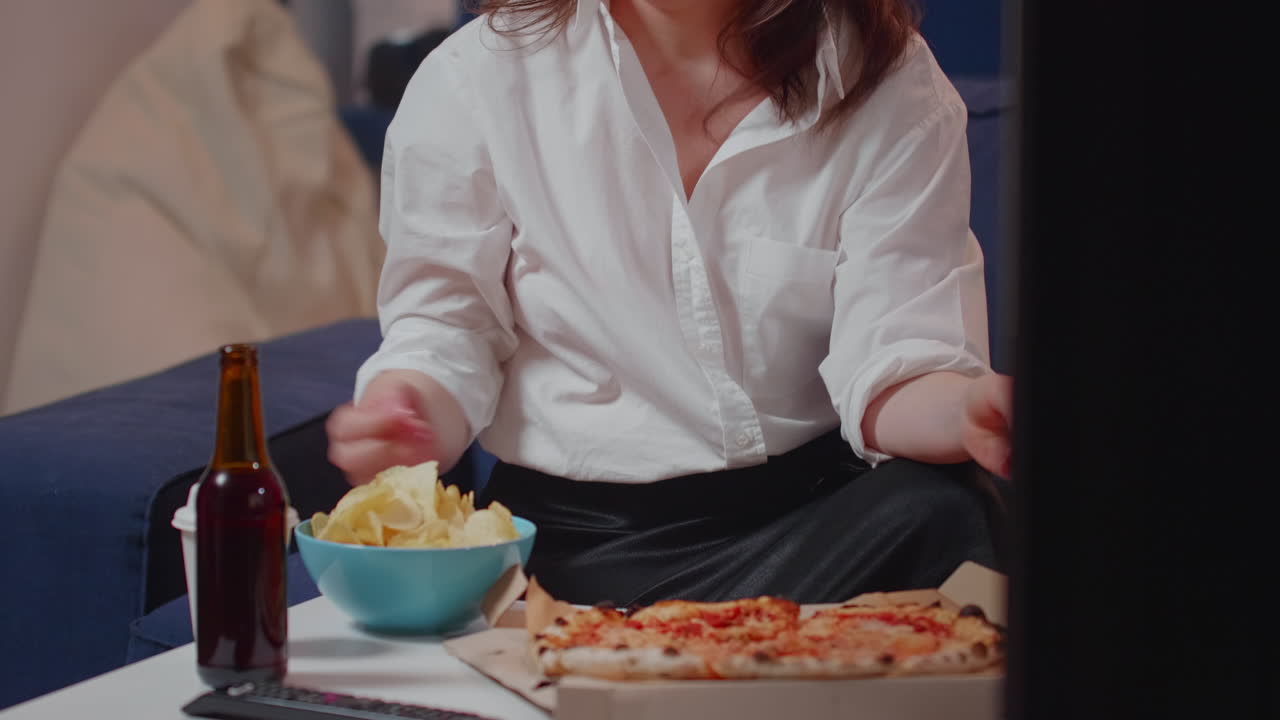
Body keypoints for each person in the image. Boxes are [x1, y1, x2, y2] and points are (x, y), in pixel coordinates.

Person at [326, 0, 1014, 606]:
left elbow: (898, 362)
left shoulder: (890, 82)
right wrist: (410, 408)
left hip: (812, 527)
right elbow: (447, 330)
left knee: (947, 510)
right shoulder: (475, 78)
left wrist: (970, 412)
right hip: (577, 546)